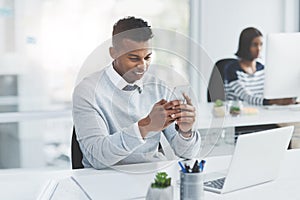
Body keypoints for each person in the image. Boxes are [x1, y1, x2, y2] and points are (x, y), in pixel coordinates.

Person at [72, 16, 201, 169]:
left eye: (148, 57)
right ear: (113, 53)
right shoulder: (88, 91)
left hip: (151, 176)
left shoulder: (159, 87)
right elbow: (98, 158)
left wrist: (186, 132)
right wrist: (145, 126)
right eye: (134, 58)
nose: (143, 66)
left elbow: (187, 154)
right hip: (103, 179)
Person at [224, 27, 296, 106]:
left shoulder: (262, 68)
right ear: (245, 46)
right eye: (254, 45)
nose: (259, 49)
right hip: (238, 113)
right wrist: (274, 102)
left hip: (260, 111)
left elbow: (270, 93)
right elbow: (246, 97)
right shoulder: (231, 69)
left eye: (261, 44)